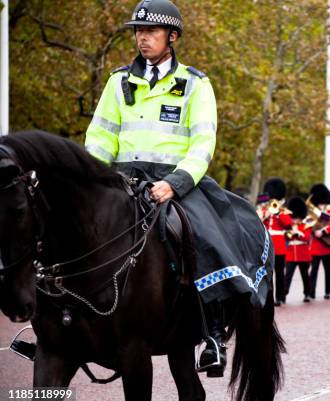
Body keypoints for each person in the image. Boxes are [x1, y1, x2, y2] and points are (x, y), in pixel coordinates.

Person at [85, 0, 272, 377]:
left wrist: (174, 184)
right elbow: (100, 138)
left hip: (176, 182)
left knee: (203, 234)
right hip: (122, 181)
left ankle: (214, 333)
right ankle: (60, 325)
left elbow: (203, 143)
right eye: (138, 31)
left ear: (171, 37)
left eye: (150, 31)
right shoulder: (118, 81)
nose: (142, 38)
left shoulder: (195, 84)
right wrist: (93, 182)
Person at [260, 177, 292, 306]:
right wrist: (266, 214)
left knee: (279, 273)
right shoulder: (264, 210)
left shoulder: (283, 211)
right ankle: (269, 297)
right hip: (266, 245)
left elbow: (288, 224)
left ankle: (280, 296)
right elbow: (257, 222)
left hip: (279, 246)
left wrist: (278, 213)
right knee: (268, 273)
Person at [308, 184, 330, 299]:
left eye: (323, 203)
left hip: (327, 247)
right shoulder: (313, 214)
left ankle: (327, 292)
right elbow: (308, 225)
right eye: (320, 204)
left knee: (328, 271)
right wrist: (313, 228)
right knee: (314, 272)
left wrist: (323, 231)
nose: (321, 206)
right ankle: (311, 292)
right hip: (316, 247)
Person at [284, 196, 312, 303]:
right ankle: (283, 294)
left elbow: (307, 237)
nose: (295, 219)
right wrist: (290, 233)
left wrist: (298, 234)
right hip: (291, 254)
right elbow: (285, 236)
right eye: (293, 217)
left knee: (305, 275)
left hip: (303, 254)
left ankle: (307, 294)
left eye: (296, 217)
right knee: (288, 276)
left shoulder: (306, 225)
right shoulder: (289, 225)